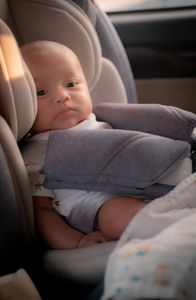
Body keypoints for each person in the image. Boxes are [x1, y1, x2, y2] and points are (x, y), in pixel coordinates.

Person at [20, 40, 146, 250]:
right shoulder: (35, 153)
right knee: (118, 213)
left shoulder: (103, 122)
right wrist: (75, 241)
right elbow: (42, 213)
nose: (62, 96)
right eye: (41, 92)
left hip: (143, 187)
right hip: (94, 207)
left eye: (71, 84)